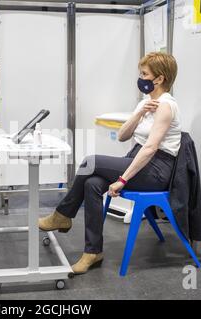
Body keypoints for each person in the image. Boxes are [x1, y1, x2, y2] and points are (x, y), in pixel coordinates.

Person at [39, 52, 181, 274]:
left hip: (156, 169)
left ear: (159, 79)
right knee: (92, 184)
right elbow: (124, 136)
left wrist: (123, 179)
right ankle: (93, 252)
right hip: (138, 159)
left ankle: (63, 215)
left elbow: (151, 148)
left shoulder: (166, 105)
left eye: (145, 74)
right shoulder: (147, 103)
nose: (141, 78)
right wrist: (138, 115)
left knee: (91, 161)